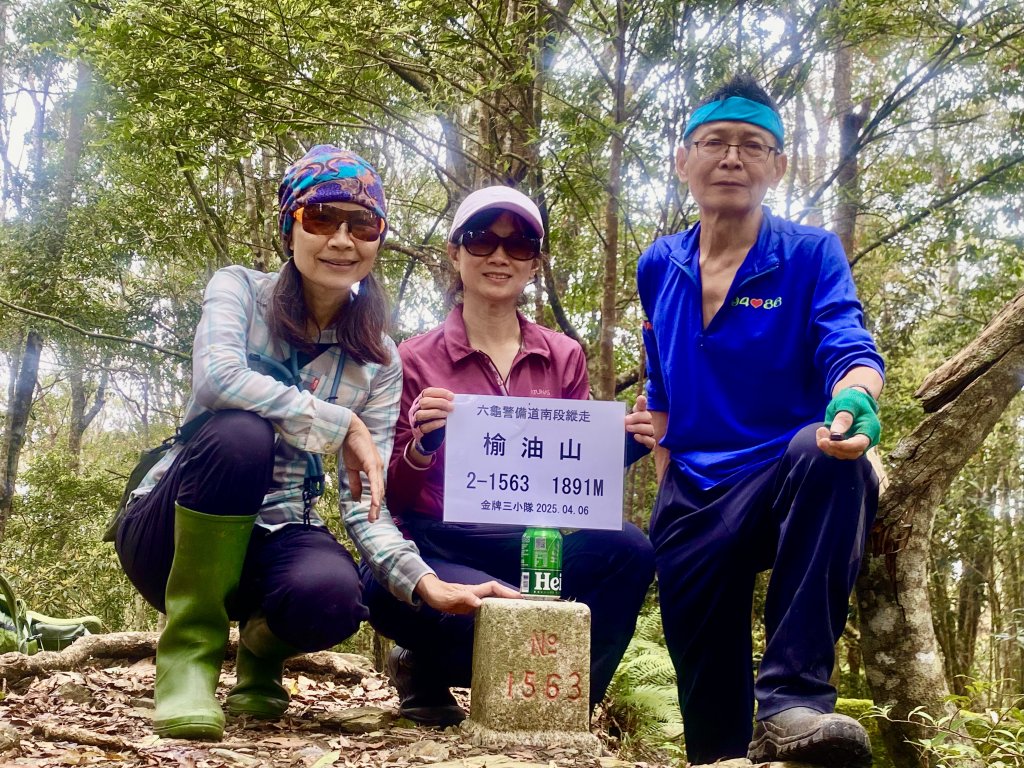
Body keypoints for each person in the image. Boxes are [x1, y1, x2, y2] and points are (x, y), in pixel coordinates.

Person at [637, 75, 884, 768]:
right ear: (684, 160)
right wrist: (663, 473)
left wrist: (856, 399)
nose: (732, 158)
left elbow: (848, 344)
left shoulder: (809, 253)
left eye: (753, 145)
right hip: (691, 490)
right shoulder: (659, 262)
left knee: (828, 453)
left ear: (778, 165)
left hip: (780, 474)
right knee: (710, 721)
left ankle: (794, 701)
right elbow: (659, 372)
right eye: (714, 142)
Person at [114, 145, 400, 741]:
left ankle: (260, 655)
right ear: (288, 225)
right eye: (320, 218)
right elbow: (218, 378)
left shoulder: (379, 358)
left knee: (333, 599)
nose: (342, 240)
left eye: (363, 224)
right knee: (242, 433)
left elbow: (363, 497)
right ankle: (189, 657)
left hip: (279, 529)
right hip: (170, 527)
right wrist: (338, 423)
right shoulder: (239, 290)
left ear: (377, 240)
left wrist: (419, 579)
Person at [357, 186, 657, 727]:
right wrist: (423, 445)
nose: (499, 256)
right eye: (481, 240)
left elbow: (566, 475)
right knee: (387, 588)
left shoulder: (563, 355)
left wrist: (630, 442)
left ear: (534, 262)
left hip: (531, 544)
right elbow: (391, 492)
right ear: (455, 253)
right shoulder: (413, 358)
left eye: (519, 244)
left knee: (629, 550)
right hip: (437, 542)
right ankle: (423, 665)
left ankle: (565, 712)